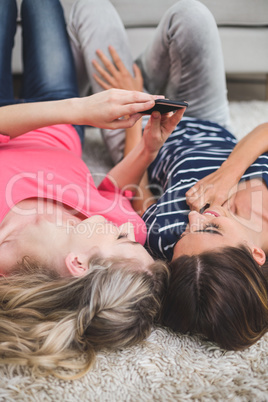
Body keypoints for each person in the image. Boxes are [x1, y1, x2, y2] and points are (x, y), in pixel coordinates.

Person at [0, 0, 187, 378]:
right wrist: (147, 149)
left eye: (122, 239)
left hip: (52, 113)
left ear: (79, 264)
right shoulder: (128, 230)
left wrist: (81, 109)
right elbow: (111, 188)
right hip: (60, 122)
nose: (129, 228)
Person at [87, 0, 268, 350]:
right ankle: (146, 77)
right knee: (191, 15)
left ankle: (136, 80)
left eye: (189, 229)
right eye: (212, 228)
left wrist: (132, 102)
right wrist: (228, 174)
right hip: (209, 121)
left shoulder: (167, 241)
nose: (196, 216)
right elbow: (263, 132)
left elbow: (135, 186)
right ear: (256, 255)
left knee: (90, 8)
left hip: (141, 132)